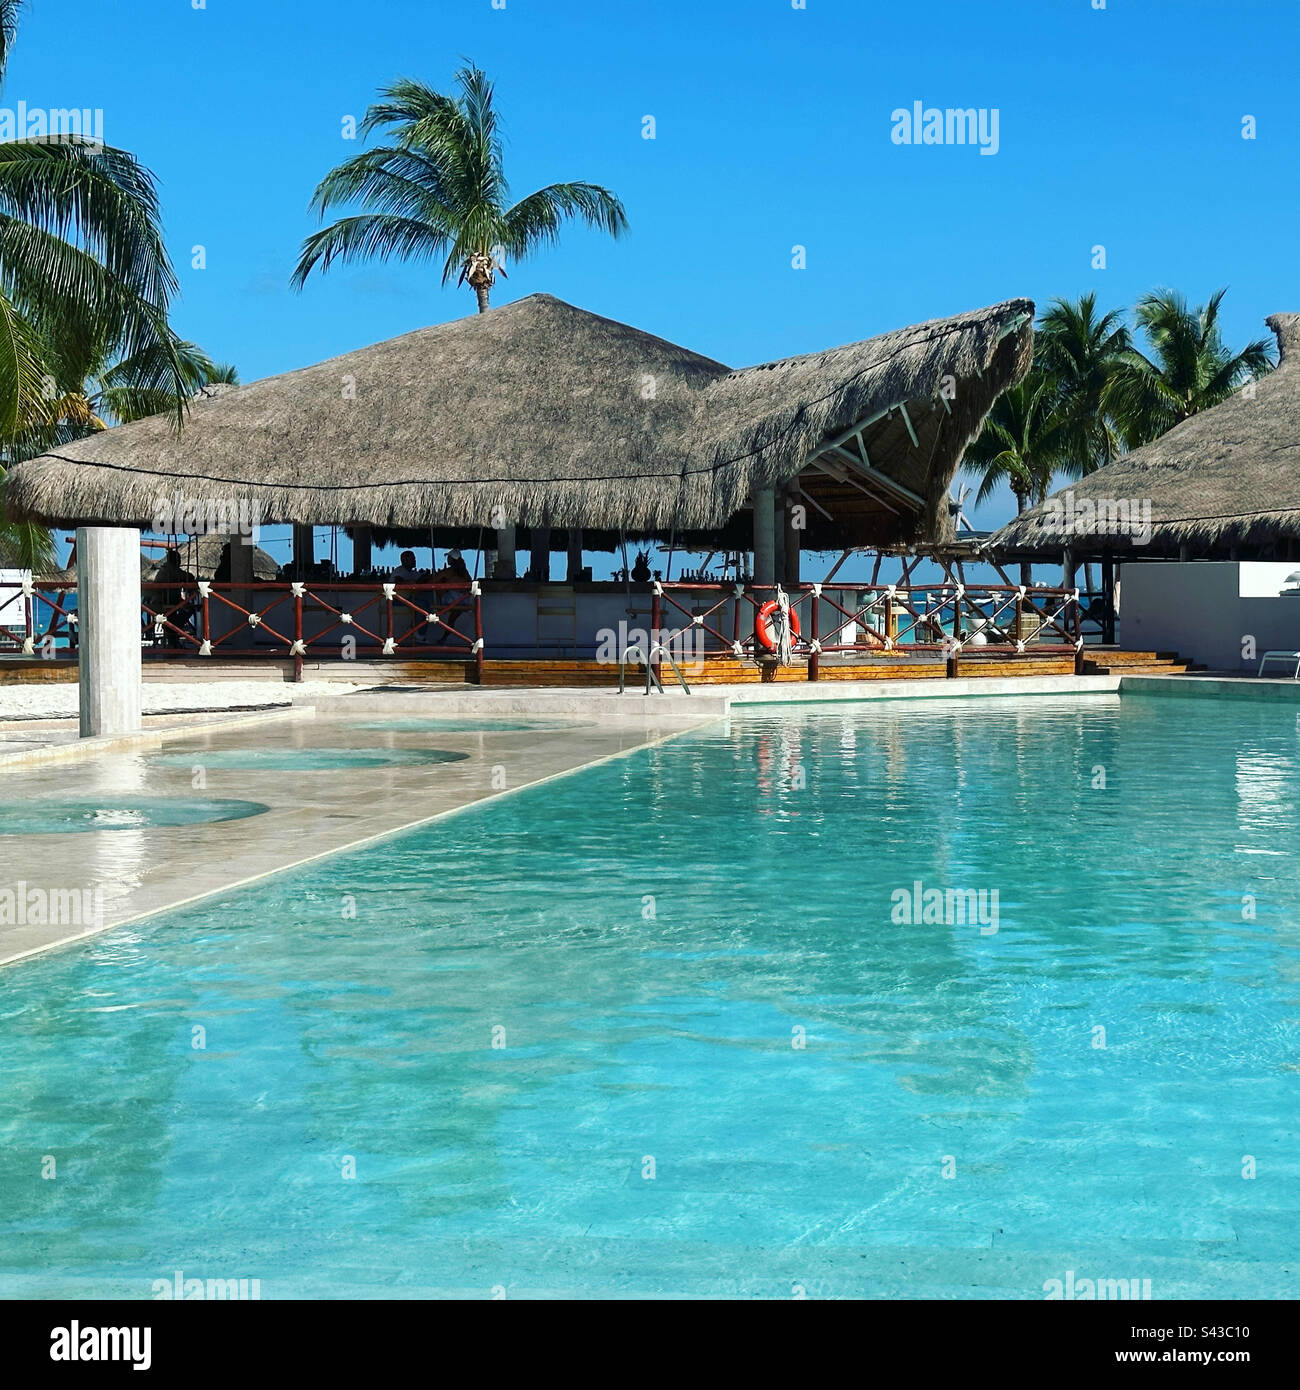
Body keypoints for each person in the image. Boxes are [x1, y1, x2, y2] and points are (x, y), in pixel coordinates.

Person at [151, 547, 197, 648]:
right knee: (183, 612)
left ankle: (173, 636)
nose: (180, 562)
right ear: (175, 560)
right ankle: (172, 637)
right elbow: (186, 576)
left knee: (188, 609)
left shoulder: (167, 569)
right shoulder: (169, 570)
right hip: (163, 602)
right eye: (179, 560)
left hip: (170, 601)